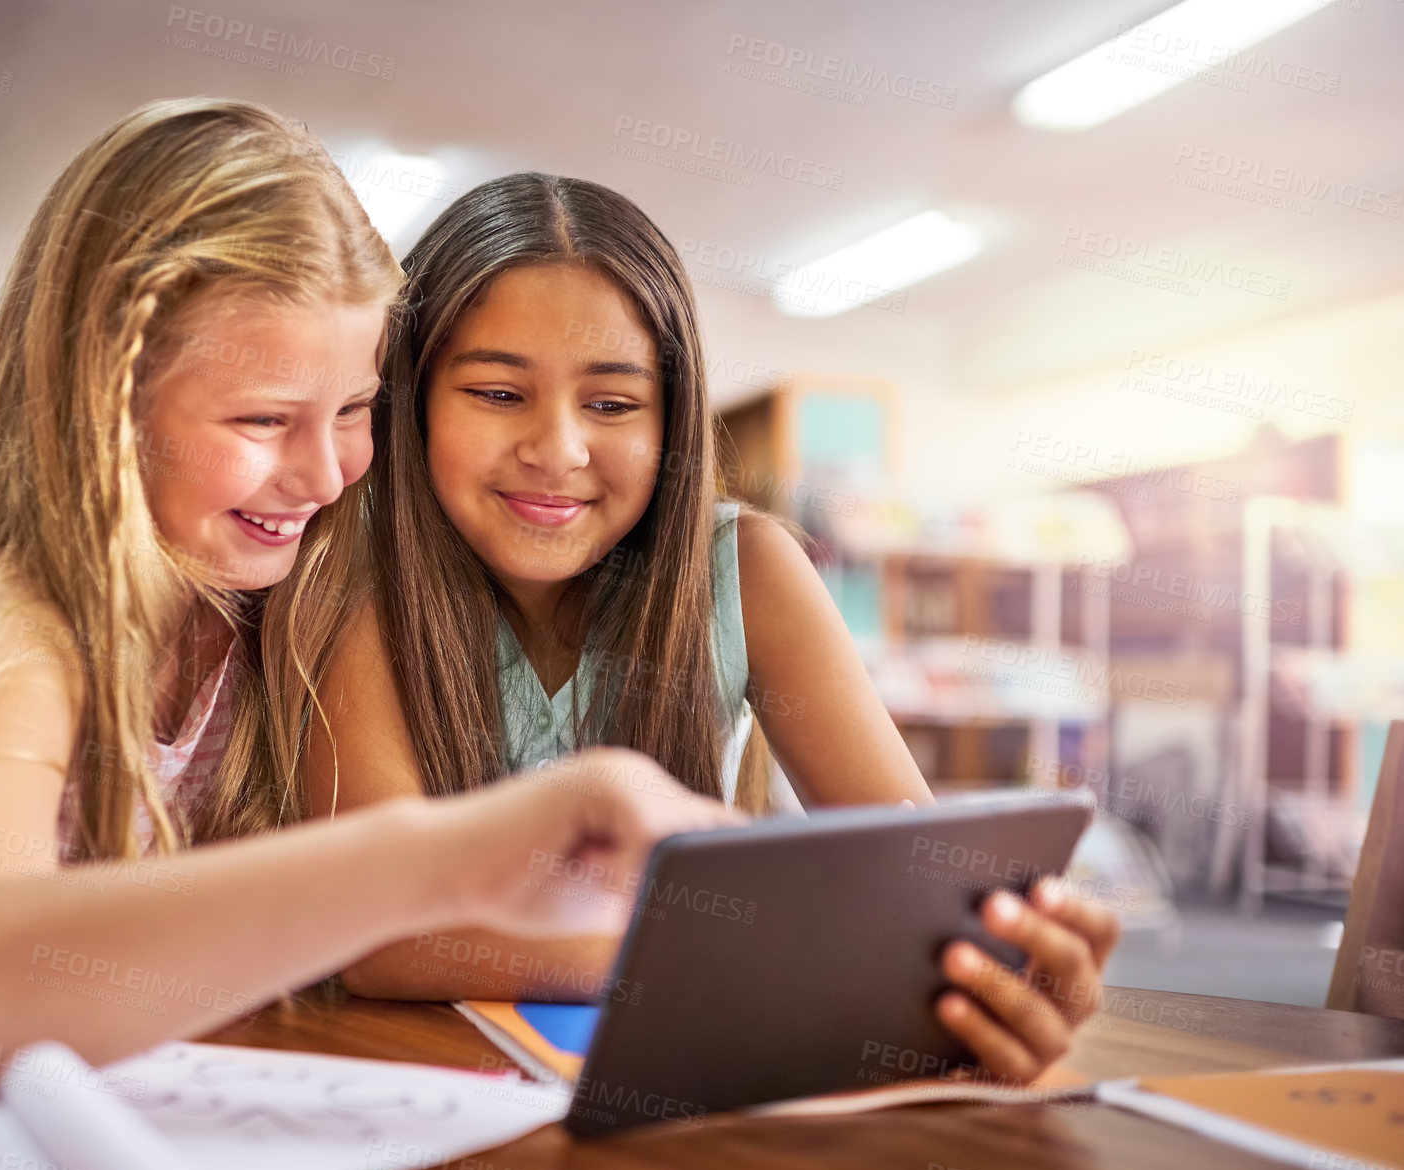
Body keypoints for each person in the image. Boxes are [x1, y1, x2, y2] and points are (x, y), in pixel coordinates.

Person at [0, 105, 738, 1093]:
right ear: (108, 401)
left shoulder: (263, 597)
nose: (325, 475)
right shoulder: (3, 629)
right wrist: (448, 857)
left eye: (355, 411)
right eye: (265, 419)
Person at [311, 173, 1120, 1082]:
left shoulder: (749, 568)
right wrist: (761, 954)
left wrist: (1000, 958)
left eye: (613, 405)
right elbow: (382, 934)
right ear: (407, 402)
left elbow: (922, 891)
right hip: (416, 1091)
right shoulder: (351, 570)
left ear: (675, 422)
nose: (559, 450)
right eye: (498, 393)